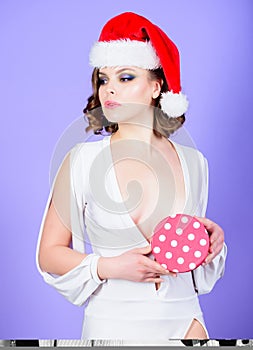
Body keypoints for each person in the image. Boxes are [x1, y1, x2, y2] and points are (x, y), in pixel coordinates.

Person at [36, 12, 227, 341]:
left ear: (156, 87)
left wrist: (213, 243)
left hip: (185, 322)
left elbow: (193, 262)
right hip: (111, 323)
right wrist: (108, 266)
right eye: (103, 79)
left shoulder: (195, 163)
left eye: (125, 78)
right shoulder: (82, 161)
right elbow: (49, 252)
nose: (109, 90)